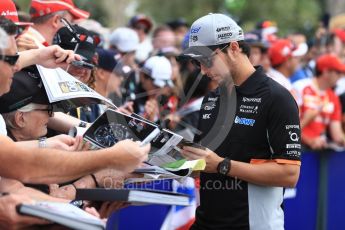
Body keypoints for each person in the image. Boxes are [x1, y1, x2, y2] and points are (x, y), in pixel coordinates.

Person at [180, 13, 301, 230]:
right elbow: (203, 165)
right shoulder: (212, 98)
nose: (203, 70)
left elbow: (289, 174)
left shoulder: (276, 97)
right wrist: (170, 159)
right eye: (196, 62)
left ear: (234, 48)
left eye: (207, 60)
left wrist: (222, 165)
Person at [296, 54, 345, 150]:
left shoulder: (333, 96)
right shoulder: (300, 88)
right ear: (326, 72)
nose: (341, 76)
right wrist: (309, 140)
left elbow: (337, 135)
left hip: (318, 149)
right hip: (297, 147)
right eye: (338, 72)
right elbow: (286, 126)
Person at [24, 0, 89, 47]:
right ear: (55, 21)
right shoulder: (31, 47)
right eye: (70, 22)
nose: (73, 27)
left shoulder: (25, 41)